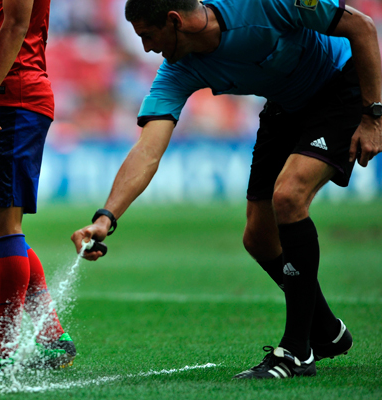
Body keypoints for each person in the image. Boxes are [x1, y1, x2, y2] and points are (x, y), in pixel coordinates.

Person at [71, 0, 381, 379]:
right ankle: (327, 330)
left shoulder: (264, 5)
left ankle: (296, 352)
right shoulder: (177, 70)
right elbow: (147, 150)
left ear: (174, 20)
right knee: (259, 237)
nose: (148, 48)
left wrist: (373, 115)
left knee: (289, 196)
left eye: (149, 36)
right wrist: (106, 218)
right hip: (286, 102)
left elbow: (362, 27)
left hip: (341, 84)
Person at [0, 0, 77, 368]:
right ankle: (51, 335)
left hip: (12, 95)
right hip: (6, 94)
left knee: (1, 225)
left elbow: (14, 25)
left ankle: (4, 347)